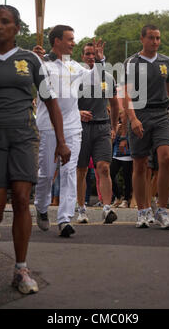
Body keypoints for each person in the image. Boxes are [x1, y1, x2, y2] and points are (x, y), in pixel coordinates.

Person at [0, 5, 70, 295]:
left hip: (23, 137)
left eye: (4, 22)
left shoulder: (30, 60)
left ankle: (21, 268)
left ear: (17, 28)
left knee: (20, 198)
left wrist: (61, 140)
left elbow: (51, 102)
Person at [34, 27, 105, 237]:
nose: (73, 43)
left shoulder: (75, 67)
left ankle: (64, 219)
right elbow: (26, 75)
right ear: (57, 41)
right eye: (70, 39)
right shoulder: (43, 64)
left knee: (69, 172)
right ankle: (41, 206)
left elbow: (95, 80)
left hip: (73, 127)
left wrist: (100, 61)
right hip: (47, 127)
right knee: (47, 174)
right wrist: (34, 58)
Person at [122, 24, 169, 229]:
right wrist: (132, 119)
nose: (155, 42)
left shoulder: (166, 62)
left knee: (166, 157)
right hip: (139, 114)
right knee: (140, 164)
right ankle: (142, 211)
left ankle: (162, 210)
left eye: (158, 38)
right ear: (142, 39)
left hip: (161, 114)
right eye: (151, 38)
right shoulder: (131, 62)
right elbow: (126, 93)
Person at [76, 42, 119, 224]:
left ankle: (107, 208)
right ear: (82, 57)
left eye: (94, 54)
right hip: (81, 127)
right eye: (87, 54)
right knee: (81, 170)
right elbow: (65, 103)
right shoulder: (76, 77)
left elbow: (115, 104)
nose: (91, 57)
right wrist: (78, 113)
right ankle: (81, 209)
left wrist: (114, 126)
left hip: (102, 126)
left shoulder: (107, 78)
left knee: (104, 167)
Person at [110, 110, 133, 209]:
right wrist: (115, 132)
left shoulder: (131, 125)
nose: (120, 115)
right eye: (119, 114)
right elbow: (112, 141)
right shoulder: (117, 125)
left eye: (122, 113)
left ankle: (126, 199)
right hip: (116, 155)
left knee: (127, 178)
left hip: (128, 155)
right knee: (110, 174)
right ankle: (118, 196)